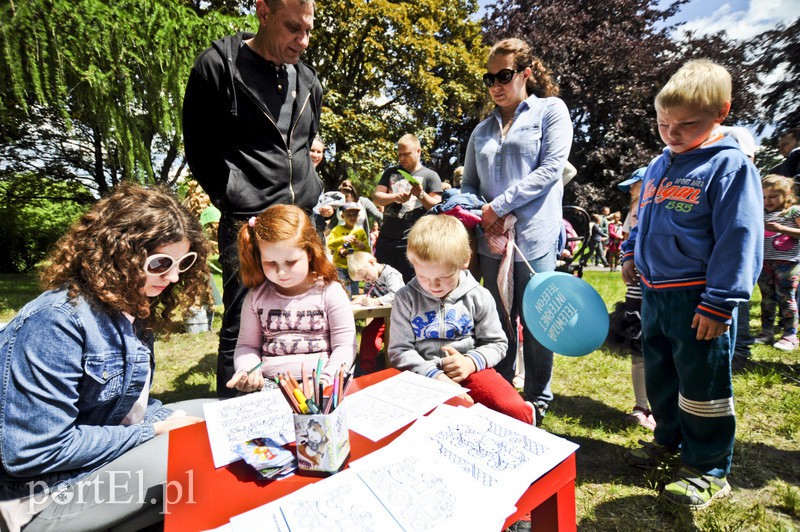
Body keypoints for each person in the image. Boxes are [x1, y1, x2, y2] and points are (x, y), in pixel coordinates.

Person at [0, 184, 212, 530]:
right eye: (161, 263)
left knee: (216, 416)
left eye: (182, 262)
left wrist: (159, 424)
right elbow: (34, 451)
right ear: (119, 255)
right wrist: (153, 431)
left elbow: (121, 409)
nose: (174, 276)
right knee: (190, 457)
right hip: (38, 495)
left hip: (92, 461)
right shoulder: (56, 321)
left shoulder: (131, 305)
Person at [621, 59, 762, 509]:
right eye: (664, 123)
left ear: (721, 112)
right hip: (656, 294)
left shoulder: (729, 166)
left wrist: (720, 302)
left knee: (702, 384)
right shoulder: (658, 164)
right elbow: (643, 218)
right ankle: (668, 440)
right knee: (661, 374)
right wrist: (630, 252)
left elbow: (740, 238)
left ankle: (708, 468)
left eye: (687, 124)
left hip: (700, 298)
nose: (672, 133)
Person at [183, 0, 323, 397]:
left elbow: (305, 143)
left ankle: (304, 408)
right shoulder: (217, 66)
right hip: (249, 220)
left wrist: (310, 186)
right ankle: (235, 416)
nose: (303, 40)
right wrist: (235, 196)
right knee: (243, 320)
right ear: (263, 12)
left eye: (309, 30)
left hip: (302, 219)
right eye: (293, 28)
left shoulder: (309, 80)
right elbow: (199, 149)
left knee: (308, 315)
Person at [460, 38, 572, 424]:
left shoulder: (550, 111)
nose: (495, 85)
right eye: (489, 78)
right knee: (497, 321)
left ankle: (538, 398)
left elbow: (551, 168)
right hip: (491, 239)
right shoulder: (481, 130)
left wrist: (499, 206)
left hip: (534, 238)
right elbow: (469, 184)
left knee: (538, 322)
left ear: (526, 73)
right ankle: (503, 392)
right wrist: (479, 211)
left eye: (504, 76)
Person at [389, 215, 536, 425]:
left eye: (444, 276)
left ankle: (528, 415)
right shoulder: (405, 298)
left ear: (465, 260)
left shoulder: (479, 296)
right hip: (421, 376)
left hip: (470, 371)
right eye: (423, 277)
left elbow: (497, 343)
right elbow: (400, 351)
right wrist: (435, 376)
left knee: (514, 411)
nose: (433, 285)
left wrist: (470, 362)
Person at [226, 205, 356, 393]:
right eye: (270, 263)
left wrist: (326, 379)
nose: (281, 272)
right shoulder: (256, 297)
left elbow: (345, 346)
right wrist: (247, 370)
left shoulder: (330, 292)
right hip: (269, 383)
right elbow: (247, 346)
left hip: (323, 381)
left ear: (309, 253)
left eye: (291, 262)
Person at [609, 168, 655, 431]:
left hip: (659, 290)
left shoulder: (659, 206)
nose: (631, 192)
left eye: (635, 186)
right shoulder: (632, 213)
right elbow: (628, 242)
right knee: (639, 354)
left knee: (662, 353)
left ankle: (660, 408)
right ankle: (641, 405)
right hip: (637, 294)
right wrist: (627, 261)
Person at [372, 134, 443, 282]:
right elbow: (377, 197)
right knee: (382, 284)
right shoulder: (390, 172)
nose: (402, 158)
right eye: (399, 154)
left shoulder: (430, 176)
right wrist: (395, 197)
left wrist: (421, 195)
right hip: (386, 239)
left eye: (406, 154)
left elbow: (437, 207)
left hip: (413, 242)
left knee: (412, 284)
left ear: (418, 152)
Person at [755, 175, 800, 351]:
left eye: (773, 196)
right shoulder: (761, 213)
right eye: (764, 197)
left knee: (786, 298)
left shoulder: (794, 211)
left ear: (786, 194)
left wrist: (782, 229)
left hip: (788, 263)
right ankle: (766, 333)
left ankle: (790, 335)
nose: (767, 201)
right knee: (767, 298)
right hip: (765, 262)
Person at [347, 251, 406, 374]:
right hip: (384, 316)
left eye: (366, 276)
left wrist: (376, 301)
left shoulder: (390, 274)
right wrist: (361, 299)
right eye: (363, 279)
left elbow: (396, 295)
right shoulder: (372, 278)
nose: (366, 280)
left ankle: (368, 368)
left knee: (374, 334)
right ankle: (366, 367)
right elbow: (369, 294)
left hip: (400, 317)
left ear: (372, 263)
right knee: (369, 332)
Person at [327, 203, 370, 296]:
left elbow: (368, 251)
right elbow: (330, 244)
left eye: (355, 214)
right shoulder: (337, 229)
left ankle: (354, 304)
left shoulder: (360, 231)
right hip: (340, 267)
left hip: (354, 267)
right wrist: (342, 239)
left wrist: (363, 246)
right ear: (343, 216)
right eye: (349, 215)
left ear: (358, 216)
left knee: (354, 291)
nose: (352, 217)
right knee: (342, 291)